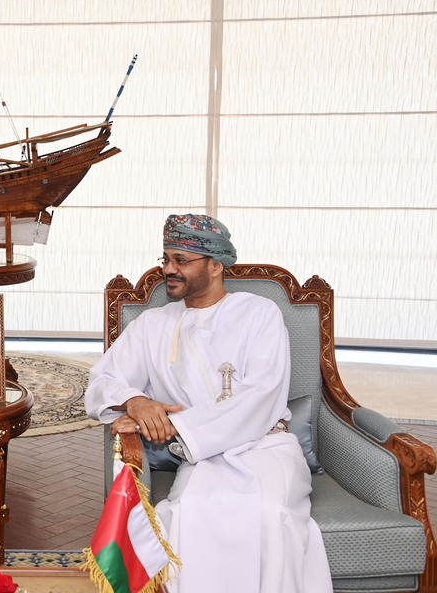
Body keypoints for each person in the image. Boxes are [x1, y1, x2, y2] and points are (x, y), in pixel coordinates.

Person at [84, 214, 332, 593]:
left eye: (181, 260)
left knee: (270, 515)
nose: (168, 269)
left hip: (266, 448)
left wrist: (174, 424)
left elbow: (263, 395)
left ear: (216, 266)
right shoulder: (152, 324)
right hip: (201, 457)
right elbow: (102, 382)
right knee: (187, 514)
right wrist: (135, 401)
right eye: (166, 259)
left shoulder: (260, 313)